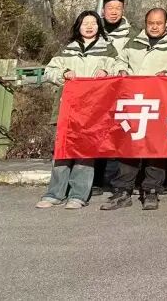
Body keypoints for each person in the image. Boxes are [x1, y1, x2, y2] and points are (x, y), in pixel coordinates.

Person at [100, 8, 167, 211]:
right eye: (151, 23)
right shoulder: (134, 41)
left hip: (161, 104)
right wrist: (121, 70)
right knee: (129, 146)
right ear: (145, 23)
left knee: (156, 148)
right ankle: (123, 190)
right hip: (134, 103)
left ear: (166, 24)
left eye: (159, 23)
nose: (154, 27)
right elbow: (119, 60)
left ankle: (151, 190)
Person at [37, 12, 115, 210]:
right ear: (78, 26)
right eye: (85, 23)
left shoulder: (108, 49)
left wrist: (107, 72)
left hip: (93, 110)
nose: (89, 26)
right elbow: (48, 71)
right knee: (62, 150)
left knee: (85, 153)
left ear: (99, 26)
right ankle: (55, 193)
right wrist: (63, 73)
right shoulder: (67, 50)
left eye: (93, 23)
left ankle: (78, 194)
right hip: (67, 108)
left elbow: (121, 69)